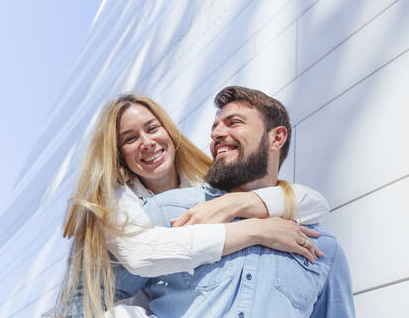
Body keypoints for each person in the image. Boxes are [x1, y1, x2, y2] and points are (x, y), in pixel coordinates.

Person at [54, 94, 331, 318]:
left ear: (169, 132)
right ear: (119, 155)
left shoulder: (207, 185)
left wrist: (241, 202)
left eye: (152, 129)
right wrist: (257, 229)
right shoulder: (115, 202)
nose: (147, 142)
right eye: (130, 139)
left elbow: (316, 204)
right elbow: (144, 255)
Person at [136, 86, 355, 317]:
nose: (216, 133)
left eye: (234, 122)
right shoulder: (168, 210)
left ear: (277, 138)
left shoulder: (323, 247)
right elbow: (103, 293)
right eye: (215, 126)